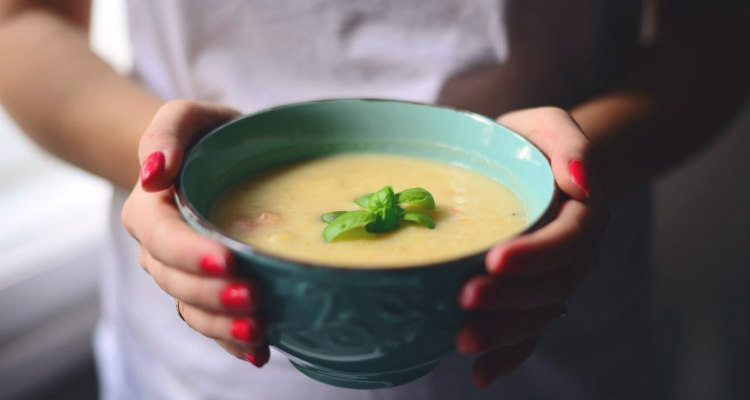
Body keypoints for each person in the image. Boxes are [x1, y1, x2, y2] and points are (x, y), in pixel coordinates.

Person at [0, 0, 747, 399]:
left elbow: (718, 36)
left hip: (556, 343)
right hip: (200, 363)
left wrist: (578, 160)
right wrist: (162, 163)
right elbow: (20, 22)